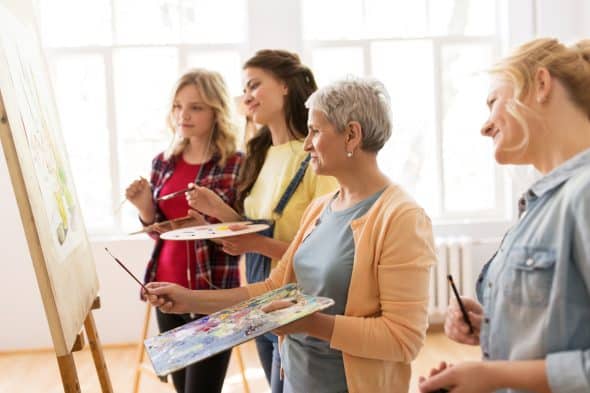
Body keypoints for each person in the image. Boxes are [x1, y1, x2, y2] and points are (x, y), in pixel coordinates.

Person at [146, 77, 437, 393]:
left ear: (352, 135)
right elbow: (274, 288)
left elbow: (403, 339)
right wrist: (187, 299)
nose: (307, 143)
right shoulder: (321, 207)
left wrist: (309, 323)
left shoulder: (402, 217)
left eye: (316, 131)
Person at [419, 38, 590, 393]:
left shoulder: (584, 193)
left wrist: (493, 376)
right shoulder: (545, 202)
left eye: (493, 102)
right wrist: (495, 326)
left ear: (541, 84)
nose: (485, 127)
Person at [184, 49, 338, 392]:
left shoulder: (315, 157)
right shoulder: (261, 155)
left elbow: (325, 255)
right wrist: (219, 211)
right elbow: (257, 225)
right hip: (260, 304)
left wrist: (254, 243)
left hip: (299, 307)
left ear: (284, 85)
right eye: (245, 88)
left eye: (255, 85)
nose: (246, 96)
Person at [125, 69, 243, 393]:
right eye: (178, 106)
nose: (183, 115)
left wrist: (212, 224)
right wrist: (145, 208)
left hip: (213, 293)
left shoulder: (235, 164)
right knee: (182, 389)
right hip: (167, 290)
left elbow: (243, 235)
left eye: (195, 107)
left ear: (216, 111)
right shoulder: (164, 162)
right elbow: (159, 233)